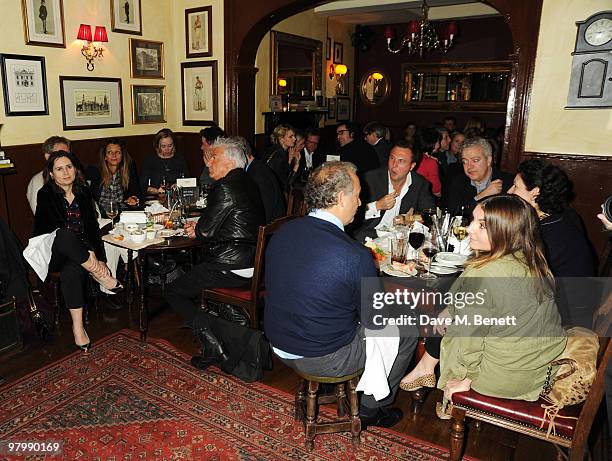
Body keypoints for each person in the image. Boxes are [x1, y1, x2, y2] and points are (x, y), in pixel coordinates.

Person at [265, 161, 418, 429]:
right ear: (340, 198)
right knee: (407, 328)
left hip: (279, 343)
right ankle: (373, 407)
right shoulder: (354, 254)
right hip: (323, 357)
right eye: (357, 195)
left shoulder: (283, 230)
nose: (360, 203)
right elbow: (374, 322)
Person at [400, 195, 566, 409]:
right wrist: (451, 309)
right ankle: (427, 366)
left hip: (503, 377)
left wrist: (465, 380)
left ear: (505, 231)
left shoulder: (485, 272)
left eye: (482, 226)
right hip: (540, 368)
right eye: (473, 221)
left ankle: (436, 382)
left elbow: (470, 340)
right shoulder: (530, 258)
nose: (470, 229)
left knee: (456, 331)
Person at [164, 138, 265, 365]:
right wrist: (201, 226)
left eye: (214, 157)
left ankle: (211, 343)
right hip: (251, 262)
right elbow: (228, 219)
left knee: (172, 291)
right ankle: (225, 320)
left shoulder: (225, 186)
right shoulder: (247, 181)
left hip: (231, 266)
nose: (209, 163)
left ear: (229, 162)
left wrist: (197, 228)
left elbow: (206, 233)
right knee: (195, 275)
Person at [33, 151, 122, 352]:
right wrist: (93, 259)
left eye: (69, 167)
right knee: (64, 234)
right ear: (51, 173)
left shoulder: (83, 191)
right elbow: (54, 229)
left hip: (79, 257)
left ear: (75, 169)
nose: (65, 172)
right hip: (54, 252)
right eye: (59, 169)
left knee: (72, 271)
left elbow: (91, 229)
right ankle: (98, 273)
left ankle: (78, 328)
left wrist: (98, 255)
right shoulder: (45, 194)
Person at [508, 159, 597, 327]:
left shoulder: (545, 233)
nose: (509, 191)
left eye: (515, 187)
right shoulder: (559, 215)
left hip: (564, 318)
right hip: (565, 304)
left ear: (535, 192)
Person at [353, 140, 435, 241]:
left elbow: (429, 214)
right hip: (369, 237)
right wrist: (377, 205)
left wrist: (408, 219)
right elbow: (352, 212)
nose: (394, 165)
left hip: (399, 239)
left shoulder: (420, 183)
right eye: (392, 158)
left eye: (401, 161)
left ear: (412, 166)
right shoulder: (369, 179)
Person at [443, 137, 513, 215]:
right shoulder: (459, 182)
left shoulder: (507, 182)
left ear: (488, 160)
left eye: (475, 160)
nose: (469, 167)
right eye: (464, 162)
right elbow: (453, 214)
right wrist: (481, 196)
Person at [87, 138, 141, 218]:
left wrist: (133, 198)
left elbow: (136, 192)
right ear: (105, 156)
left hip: (121, 213)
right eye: (110, 152)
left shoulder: (129, 169)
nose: (114, 155)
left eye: (117, 152)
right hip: (100, 215)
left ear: (122, 155)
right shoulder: (94, 171)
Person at [240, 136, 286, 223]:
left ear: (242, 154)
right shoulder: (253, 168)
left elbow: (265, 214)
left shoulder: (259, 175)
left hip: (270, 230)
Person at [27, 136, 71, 214]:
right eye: (60, 154)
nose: (66, 158)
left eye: (67, 154)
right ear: (47, 156)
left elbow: (94, 211)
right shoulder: (38, 181)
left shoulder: (74, 175)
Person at [140, 129, 190, 195]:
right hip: (154, 197)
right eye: (163, 146)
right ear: (158, 146)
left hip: (175, 195)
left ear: (174, 145)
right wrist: (157, 191)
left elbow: (187, 180)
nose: (167, 149)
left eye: (170, 146)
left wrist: (178, 185)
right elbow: (143, 185)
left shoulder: (180, 159)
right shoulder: (150, 160)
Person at [264, 124, 295, 191]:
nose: (294, 139)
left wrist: (289, 160)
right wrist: (296, 164)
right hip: (271, 191)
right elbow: (286, 182)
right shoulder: (279, 155)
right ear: (281, 139)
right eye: (290, 137)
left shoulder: (272, 149)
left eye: (294, 136)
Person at [415, 128, 442, 197]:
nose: (439, 145)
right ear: (433, 144)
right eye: (438, 141)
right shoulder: (430, 162)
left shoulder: (413, 154)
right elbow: (436, 191)